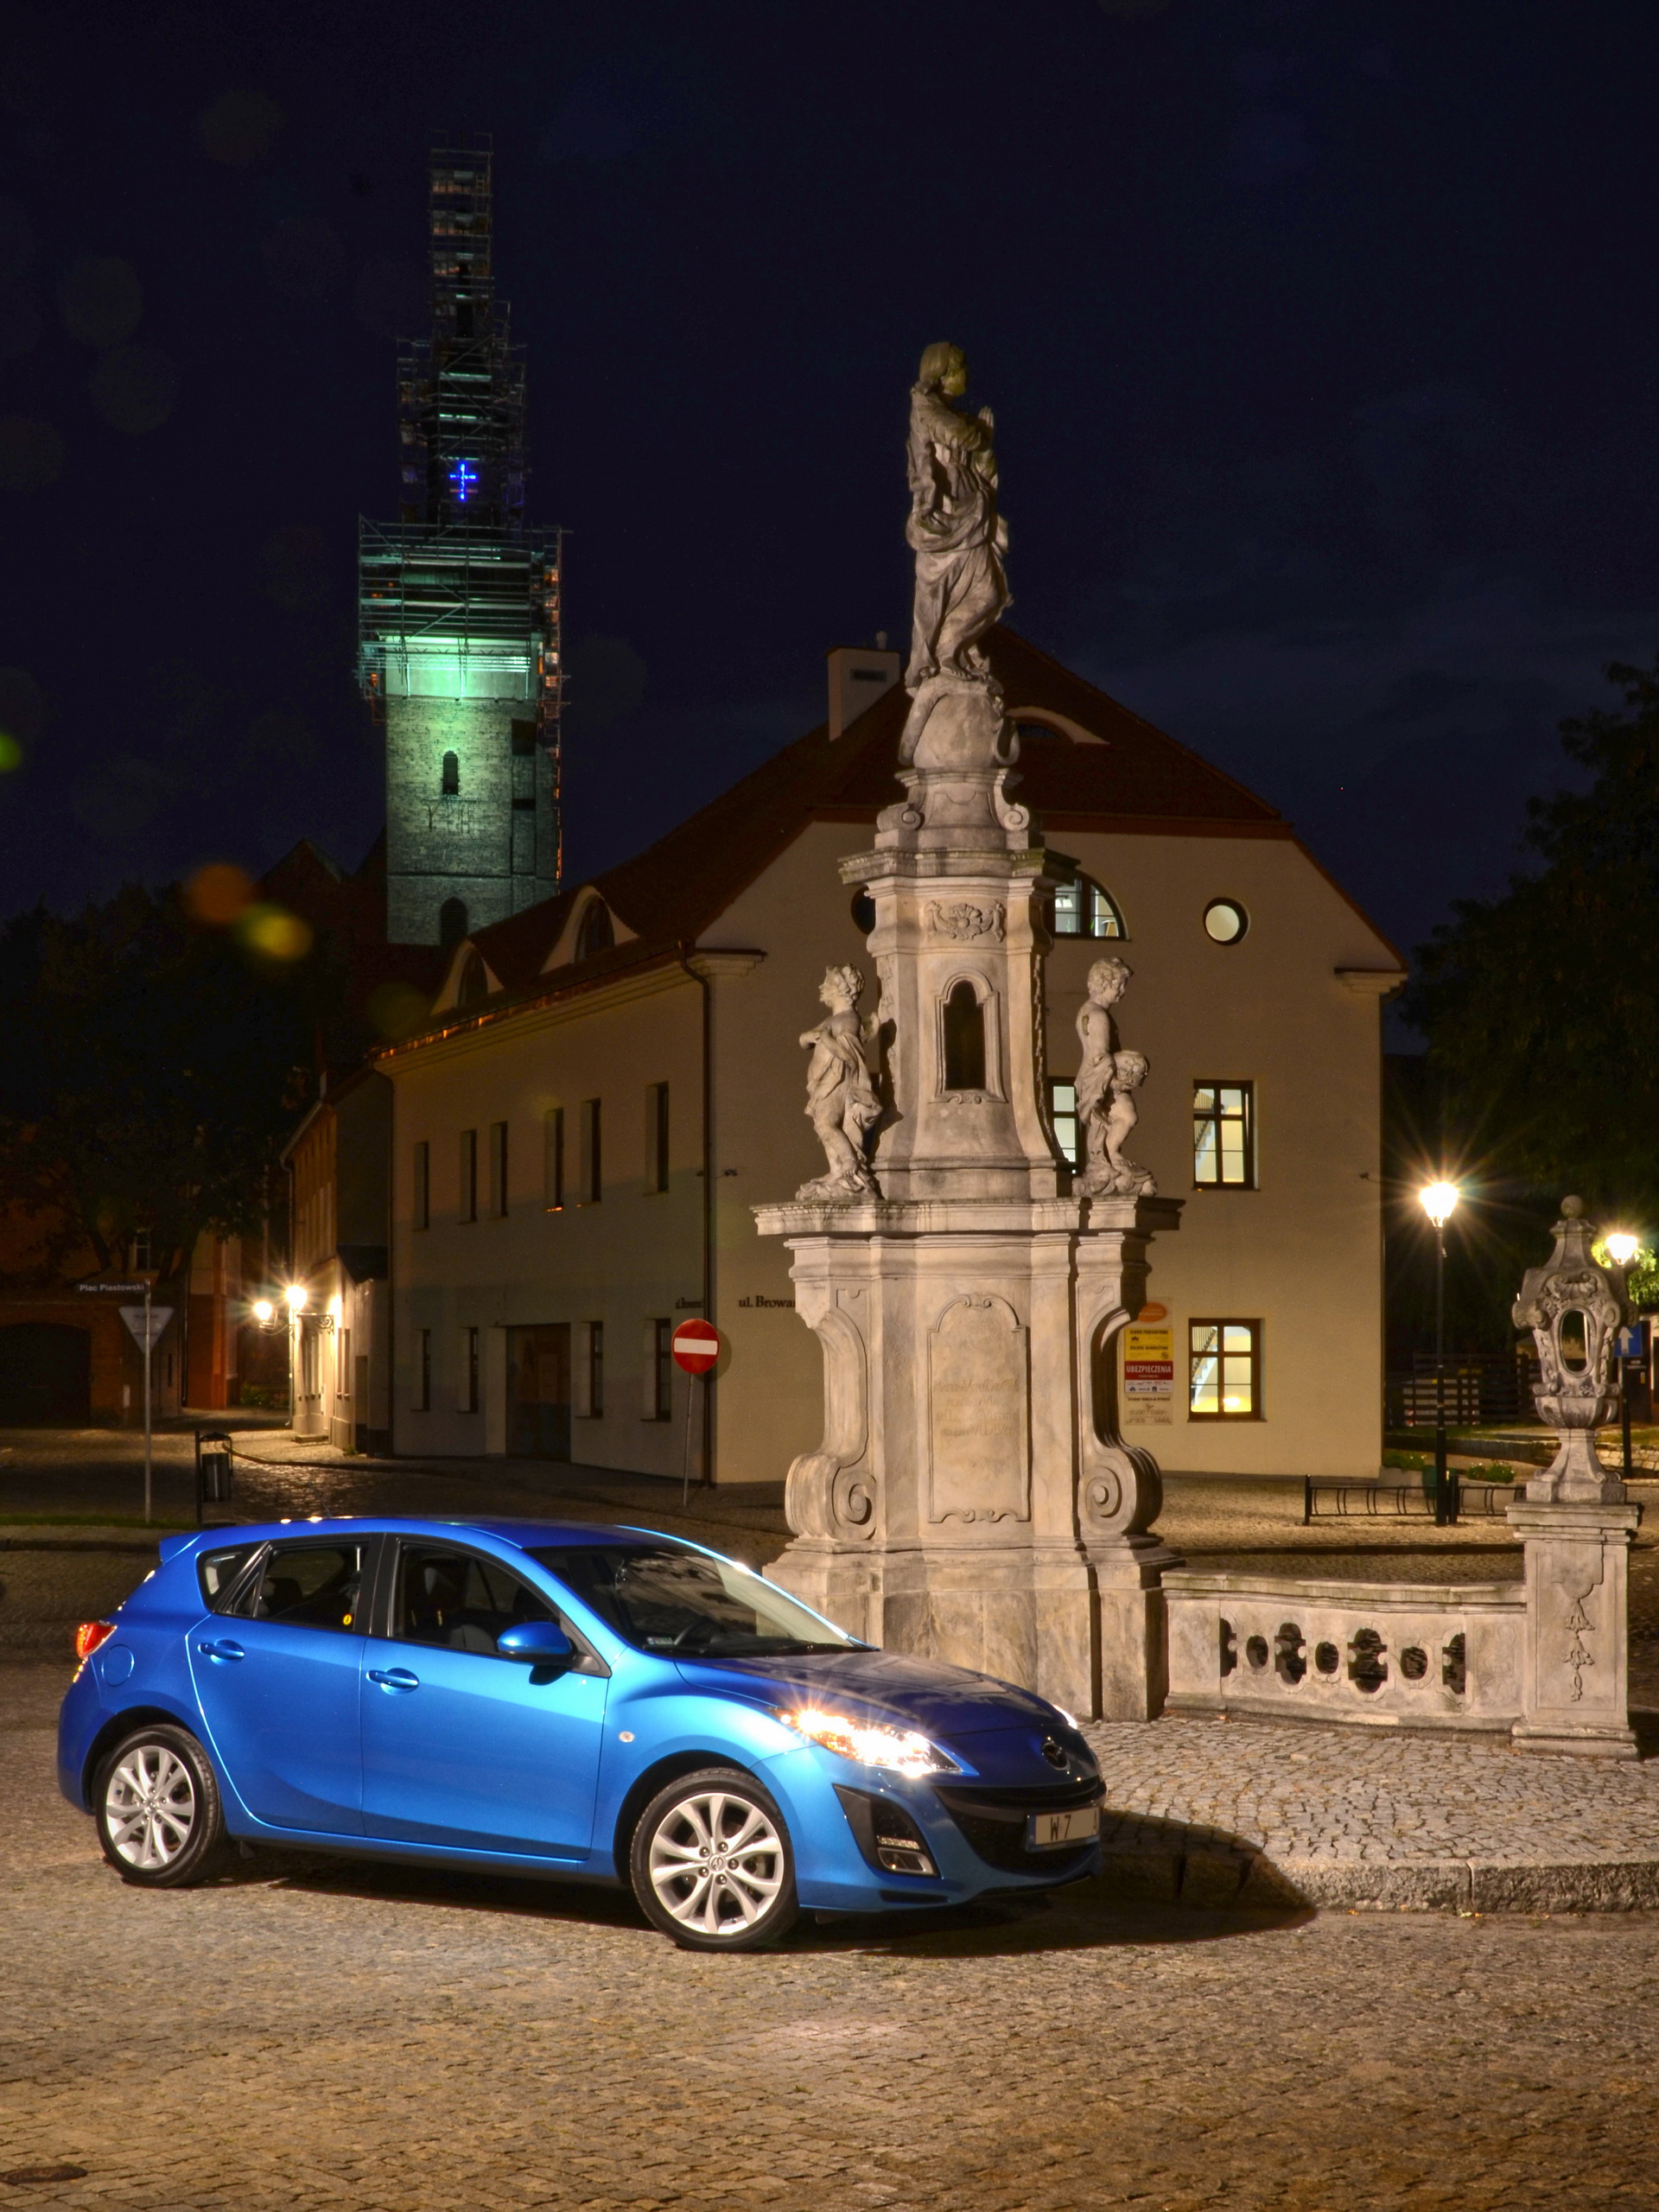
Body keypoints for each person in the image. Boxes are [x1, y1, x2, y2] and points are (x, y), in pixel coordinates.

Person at [797, 965, 881, 1198]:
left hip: (837, 1080)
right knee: (822, 1126)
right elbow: (804, 1041)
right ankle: (836, 1171)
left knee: (826, 1124)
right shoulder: (832, 1019)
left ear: (842, 989)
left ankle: (849, 1161)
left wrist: (825, 1039)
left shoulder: (848, 1020)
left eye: (827, 984)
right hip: (822, 1083)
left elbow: (849, 1056)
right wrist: (807, 1036)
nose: (822, 987)